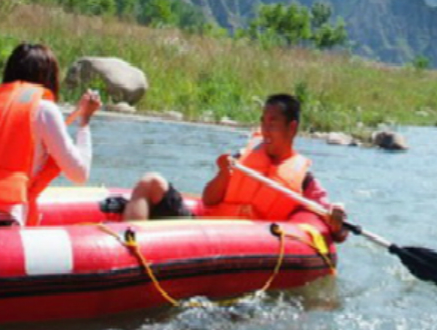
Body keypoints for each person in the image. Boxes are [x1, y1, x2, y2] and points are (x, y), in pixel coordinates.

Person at [123, 93, 348, 242]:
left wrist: (338, 220)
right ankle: (130, 247)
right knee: (150, 182)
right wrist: (223, 174)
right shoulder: (242, 158)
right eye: (263, 121)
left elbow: (337, 232)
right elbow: (209, 200)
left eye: (273, 122)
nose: (265, 129)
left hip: (244, 247)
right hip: (203, 234)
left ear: (292, 128)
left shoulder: (305, 180)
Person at [0, 42, 101, 227]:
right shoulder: (44, 110)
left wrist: (78, 112)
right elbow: (79, 174)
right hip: (5, 222)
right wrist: (85, 122)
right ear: (49, 77)